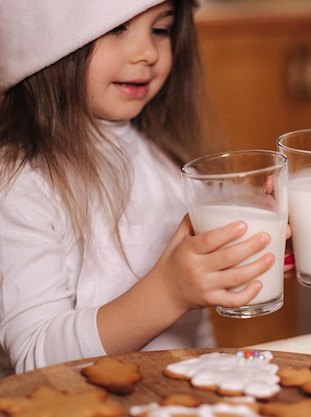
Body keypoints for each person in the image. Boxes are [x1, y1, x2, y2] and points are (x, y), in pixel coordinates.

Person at [0, 0, 276, 376]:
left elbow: (195, 332)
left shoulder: (167, 163)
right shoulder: (20, 180)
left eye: (160, 30)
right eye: (117, 29)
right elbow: (34, 358)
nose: (148, 53)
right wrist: (169, 291)